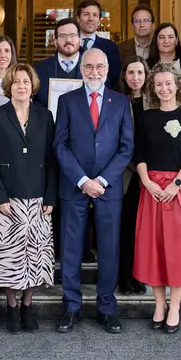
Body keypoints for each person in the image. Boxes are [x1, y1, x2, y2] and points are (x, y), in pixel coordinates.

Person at [53, 48, 134, 334]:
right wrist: (82, 180)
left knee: (109, 250)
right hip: (74, 188)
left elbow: (126, 148)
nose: (94, 72)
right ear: (81, 69)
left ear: (108, 68)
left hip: (108, 189)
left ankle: (106, 308)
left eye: (100, 66)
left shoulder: (121, 102)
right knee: (71, 250)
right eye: (89, 67)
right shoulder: (66, 101)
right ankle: (71, 307)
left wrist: (101, 181)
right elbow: (59, 145)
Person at [133, 63, 181, 334]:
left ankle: (175, 306)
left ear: (177, 84)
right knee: (153, 248)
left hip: (179, 188)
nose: (164, 88)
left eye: (168, 83)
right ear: (153, 89)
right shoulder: (145, 117)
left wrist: (177, 183)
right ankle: (159, 304)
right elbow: (138, 151)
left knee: (177, 250)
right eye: (158, 84)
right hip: (151, 188)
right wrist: (146, 181)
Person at [0, 63, 57, 333]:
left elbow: (52, 159)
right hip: (6, 200)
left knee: (35, 258)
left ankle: (28, 305)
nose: (21, 86)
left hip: (38, 198)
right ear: (9, 86)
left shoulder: (45, 116)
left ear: (33, 85)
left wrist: (50, 194)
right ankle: (11, 306)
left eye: (25, 81)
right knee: (8, 259)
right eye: (16, 82)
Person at [117, 56, 150, 295]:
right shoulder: (117, 101)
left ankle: (141, 276)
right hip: (126, 174)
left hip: (150, 174)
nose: (135, 77)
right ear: (124, 76)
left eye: (140, 72)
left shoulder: (155, 102)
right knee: (126, 228)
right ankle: (124, 277)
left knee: (145, 230)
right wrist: (134, 166)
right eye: (131, 72)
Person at [34, 18, 83, 108]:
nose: (68, 40)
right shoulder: (39, 69)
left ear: (80, 40)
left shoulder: (93, 69)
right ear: (55, 42)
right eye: (62, 36)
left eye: (72, 35)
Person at [76, 0, 121, 90]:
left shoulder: (110, 47)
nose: (91, 18)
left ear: (99, 20)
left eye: (95, 15)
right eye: (86, 14)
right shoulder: (69, 45)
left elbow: (115, 80)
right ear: (78, 18)